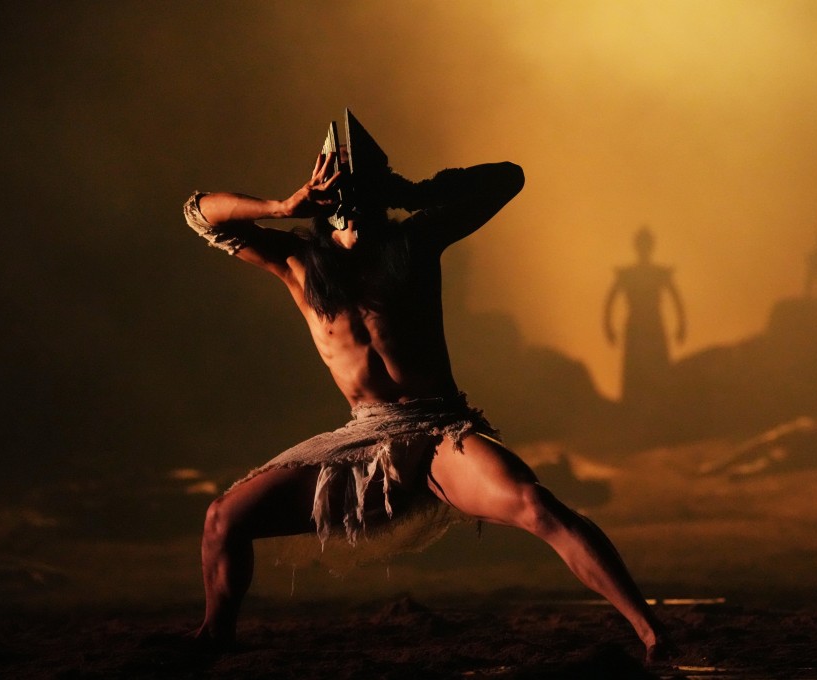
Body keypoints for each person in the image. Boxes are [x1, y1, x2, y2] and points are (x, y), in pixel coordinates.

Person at [182, 121, 674, 664]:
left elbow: (508, 179)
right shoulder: (299, 262)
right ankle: (215, 637)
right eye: (344, 191)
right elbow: (198, 213)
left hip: (440, 431)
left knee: (536, 504)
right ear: (324, 197)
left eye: (367, 191)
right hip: (363, 435)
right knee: (223, 519)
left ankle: (651, 631)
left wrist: (410, 192)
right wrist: (282, 205)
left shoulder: (414, 243)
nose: (355, 204)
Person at [603, 226, 686, 404]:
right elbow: (610, 301)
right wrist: (608, 327)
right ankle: (637, 406)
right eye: (642, 244)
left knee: (656, 367)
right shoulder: (629, 275)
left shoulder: (656, 274)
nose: (644, 248)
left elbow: (676, 299)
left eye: (645, 244)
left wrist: (682, 326)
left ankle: (659, 404)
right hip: (638, 324)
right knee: (635, 368)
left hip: (652, 323)